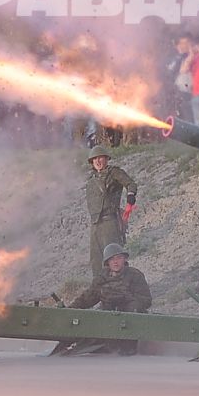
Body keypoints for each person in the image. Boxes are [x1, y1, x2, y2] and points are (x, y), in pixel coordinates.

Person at [61, 244, 154, 356]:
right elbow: (88, 298)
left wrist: (127, 299)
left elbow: (146, 300)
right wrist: (69, 310)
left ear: (124, 259)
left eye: (119, 258)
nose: (115, 262)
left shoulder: (135, 275)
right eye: (112, 259)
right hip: (107, 315)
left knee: (132, 313)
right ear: (107, 262)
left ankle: (126, 348)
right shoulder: (102, 278)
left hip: (129, 317)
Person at [84, 148, 136, 278]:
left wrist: (130, 197)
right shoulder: (92, 178)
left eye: (100, 158)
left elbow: (130, 184)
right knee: (96, 260)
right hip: (95, 224)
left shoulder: (114, 173)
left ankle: (122, 284)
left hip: (109, 222)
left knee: (114, 257)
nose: (98, 161)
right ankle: (101, 289)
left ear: (106, 159)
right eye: (95, 159)